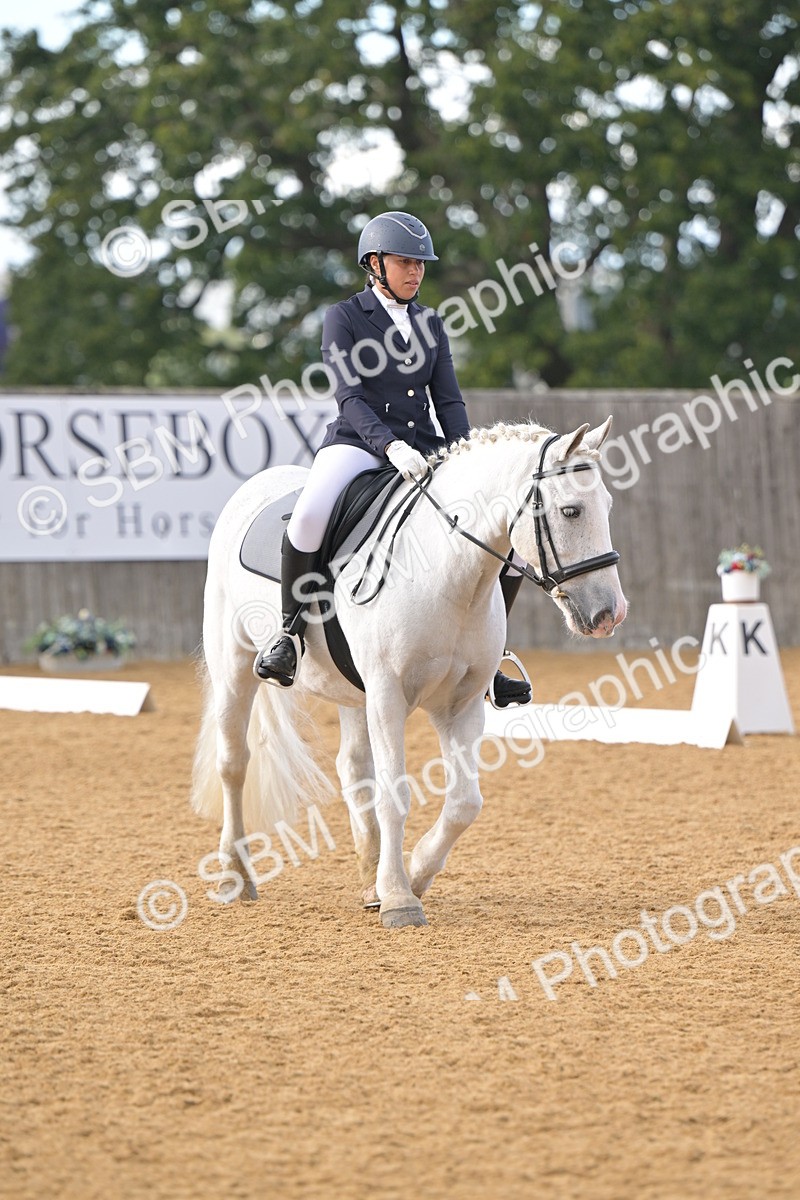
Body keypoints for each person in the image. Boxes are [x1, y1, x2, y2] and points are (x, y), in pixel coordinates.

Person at [254, 210, 531, 707]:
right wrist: (388, 445)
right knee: (311, 513)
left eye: (421, 264)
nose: (416, 272)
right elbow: (350, 396)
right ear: (374, 264)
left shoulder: (430, 323)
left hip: (427, 447)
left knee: (503, 533)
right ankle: (290, 634)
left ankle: (493, 658)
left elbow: (448, 400)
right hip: (358, 445)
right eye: (405, 262)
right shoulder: (344, 317)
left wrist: (465, 455)